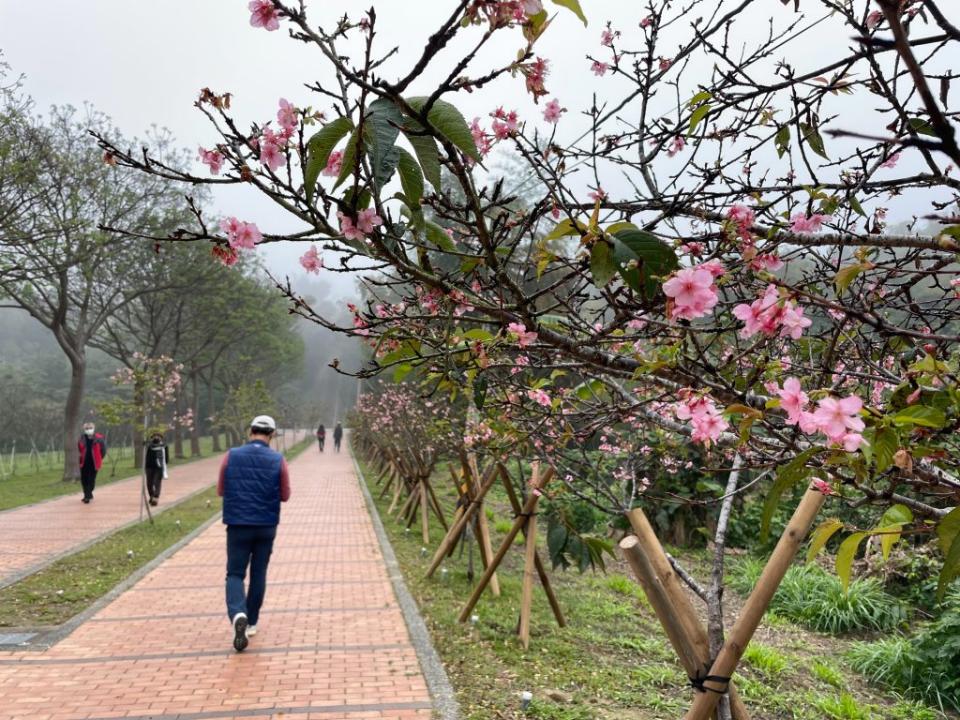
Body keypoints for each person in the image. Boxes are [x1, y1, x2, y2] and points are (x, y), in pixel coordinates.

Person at [217, 414, 291, 652]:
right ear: (271, 434)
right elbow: (285, 494)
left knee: (235, 573)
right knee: (259, 572)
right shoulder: (278, 459)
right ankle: (251, 622)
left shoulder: (231, 455)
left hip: (238, 524)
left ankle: (238, 613)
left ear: (251, 431)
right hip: (266, 526)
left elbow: (221, 489)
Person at [78, 422, 107, 504]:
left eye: (90, 428)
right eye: (86, 428)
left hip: (94, 462)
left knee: (91, 480)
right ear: (84, 429)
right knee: (84, 479)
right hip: (84, 462)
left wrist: (99, 458)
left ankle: (88, 494)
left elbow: (103, 450)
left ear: (93, 428)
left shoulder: (99, 438)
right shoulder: (81, 438)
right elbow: (79, 449)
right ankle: (87, 495)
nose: (88, 430)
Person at [144, 432, 169, 506]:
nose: (156, 438)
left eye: (158, 436)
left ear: (161, 438)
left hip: (159, 467)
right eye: (154, 436)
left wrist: (164, 465)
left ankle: (155, 497)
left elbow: (166, 458)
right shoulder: (149, 446)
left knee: (156, 482)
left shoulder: (164, 447)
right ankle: (151, 496)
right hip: (149, 467)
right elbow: (146, 456)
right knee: (149, 483)